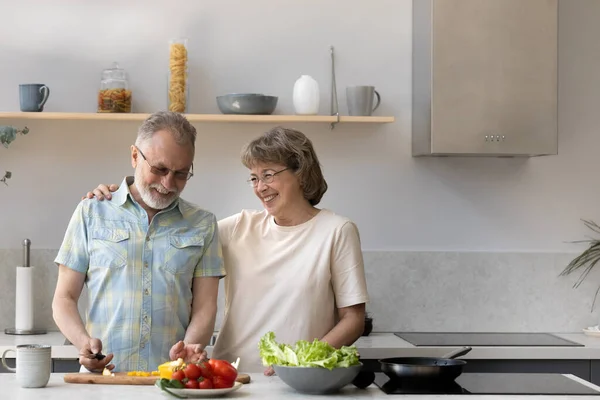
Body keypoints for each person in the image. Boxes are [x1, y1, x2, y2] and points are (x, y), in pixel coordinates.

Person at [85, 126, 369, 373]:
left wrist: (301, 363)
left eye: (268, 175)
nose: (260, 188)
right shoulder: (236, 228)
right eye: (254, 178)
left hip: (301, 381)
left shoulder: (337, 231)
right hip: (228, 378)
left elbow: (353, 319)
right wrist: (120, 197)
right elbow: (163, 233)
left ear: (301, 173)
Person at [53, 111, 225, 373]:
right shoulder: (91, 212)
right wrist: (83, 343)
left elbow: (205, 307)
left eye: (181, 174)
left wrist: (187, 353)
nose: (168, 183)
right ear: (135, 156)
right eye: (159, 169)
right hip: (103, 381)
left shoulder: (202, 224)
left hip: (171, 381)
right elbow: (63, 298)